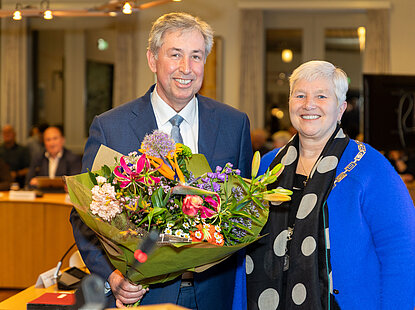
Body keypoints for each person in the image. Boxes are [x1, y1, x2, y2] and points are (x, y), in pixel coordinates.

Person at [70, 12, 252, 309]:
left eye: (196, 56)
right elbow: (83, 217)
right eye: (175, 55)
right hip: (143, 293)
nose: (186, 68)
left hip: (216, 292)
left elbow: (243, 211)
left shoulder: (235, 125)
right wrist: (113, 275)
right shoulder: (111, 128)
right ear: (152, 60)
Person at [246, 61, 415, 309]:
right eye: (300, 95)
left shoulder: (370, 167)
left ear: (341, 108)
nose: (308, 104)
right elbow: (243, 244)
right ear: (290, 102)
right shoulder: (266, 167)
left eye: (321, 96)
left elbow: (402, 252)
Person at [0, 124, 30, 189]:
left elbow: (29, 169)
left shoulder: (23, 150)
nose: (7, 134)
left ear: (14, 134)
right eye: (4, 133)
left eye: (9, 132)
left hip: (19, 185)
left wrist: (16, 174)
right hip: (2, 187)